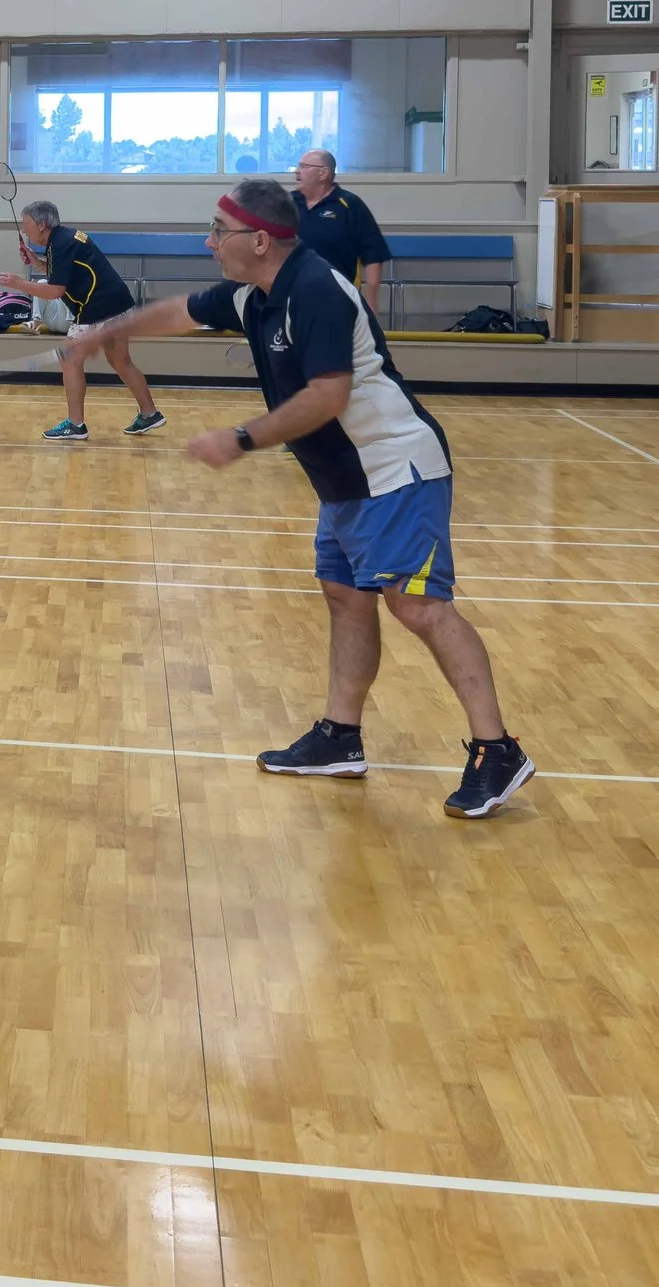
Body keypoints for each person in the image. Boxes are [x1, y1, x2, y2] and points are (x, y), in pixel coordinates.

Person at [62, 177, 532, 819]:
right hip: (343, 480)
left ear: (259, 240)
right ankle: (341, 736)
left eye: (217, 232)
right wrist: (100, 333)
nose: (209, 242)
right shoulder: (258, 294)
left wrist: (242, 438)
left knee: (419, 606)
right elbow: (180, 311)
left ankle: (496, 748)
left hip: (395, 468)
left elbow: (327, 396)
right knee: (345, 597)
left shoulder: (313, 289)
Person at [1, 201, 164, 441]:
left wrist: (19, 284)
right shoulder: (63, 238)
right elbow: (64, 272)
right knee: (121, 360)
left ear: (42, 224)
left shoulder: (60, 243)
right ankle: (150, 413)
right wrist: (35, 261)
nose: (24, 231)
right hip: (118, 301)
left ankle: (76, 425)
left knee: (70, 360)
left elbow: (55, 290)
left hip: (97, 307)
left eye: (26, 225)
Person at [291, 149, 391, 316]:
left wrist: (371, 303)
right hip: (292, 297)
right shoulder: (287, 203)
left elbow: (374, 256)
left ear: (324, 173)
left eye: (304, 166)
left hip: (338, 299)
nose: (297, 171)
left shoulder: (350, 205)